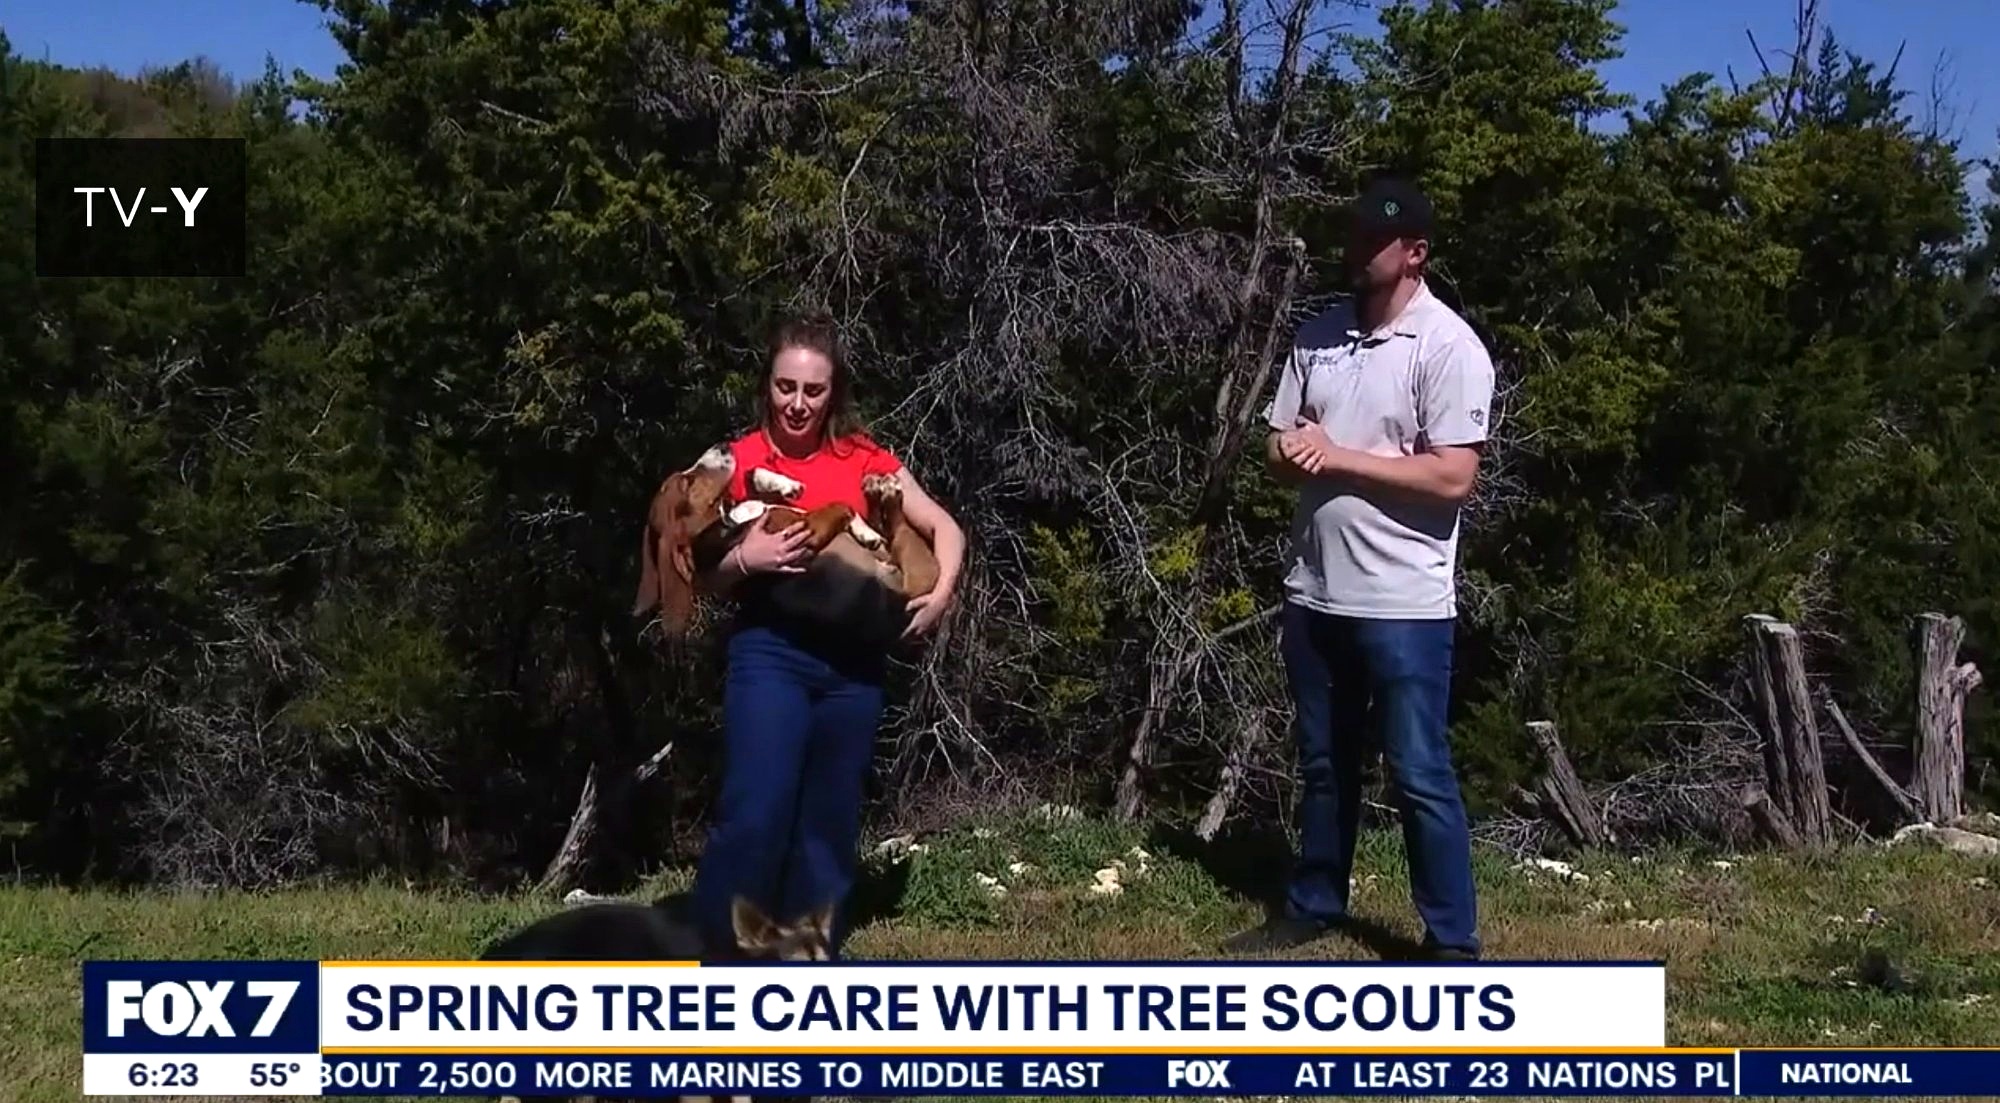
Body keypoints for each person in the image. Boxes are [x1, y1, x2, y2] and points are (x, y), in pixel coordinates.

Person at [1223, 177, 1493, 962]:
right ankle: (1314, 901)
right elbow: (1278, 447)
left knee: (1416, 770)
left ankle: (1451, 940)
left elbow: (1452, 477)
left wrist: (1339, 458)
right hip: (1316, 588)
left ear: (1415, 253)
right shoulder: (1317, 337)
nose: (1357, 252)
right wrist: (1295, 452)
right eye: (1352, 238)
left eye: (1375, 242)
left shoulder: (1448, 347)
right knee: (1324, 761)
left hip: (1404, 600)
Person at [690, 312, 965, 959]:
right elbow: (699, 574)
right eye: (786, 386)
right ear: (767, 385)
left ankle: (804, 960)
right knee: (756, 810)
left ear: (832, 392)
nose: (798, 403)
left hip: (853, 669)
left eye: (812, 390)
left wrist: (942, 590)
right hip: (771, 654)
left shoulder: (865, 459)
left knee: (827, 824)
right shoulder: (738, 461)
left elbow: (945, 528)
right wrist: (744, 562)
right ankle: (721, 962)